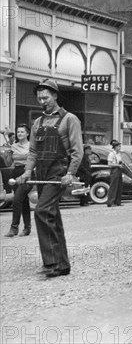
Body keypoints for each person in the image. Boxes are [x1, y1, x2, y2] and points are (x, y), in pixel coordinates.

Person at [16, 79, 83, 278]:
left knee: (42, 211)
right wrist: (27, 172)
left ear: (55, 95)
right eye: (39, 98)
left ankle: (51, 262)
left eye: (46, 97)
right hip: (42, 174)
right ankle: (62, 265)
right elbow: (33, 152)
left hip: (59, 172)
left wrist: (70, 173)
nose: (42, 100)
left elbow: (77, 151)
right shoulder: (37, 122)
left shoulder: (69, 119)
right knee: (52, 214)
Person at [5, 124, 33, 237]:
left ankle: (14, 228)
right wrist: (8, 154)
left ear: (27, 133)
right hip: (16, 173)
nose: (19, 134)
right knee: (24, 201)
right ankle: (27, 228)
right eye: (18, 132)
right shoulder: (13, 146)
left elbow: (35, 160)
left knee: (17, 199)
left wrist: (29, 173)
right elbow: (8, 163)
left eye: (22, 132)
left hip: (27, 173)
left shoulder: (31, 146)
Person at [106, 140, 124, 207]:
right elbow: (109, 164)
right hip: (114, 171)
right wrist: (117, 165)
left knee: (119, 186)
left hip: (119, 171)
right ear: (115, 147)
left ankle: (117, 202)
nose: (120, 148)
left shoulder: (119, 154)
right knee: (113, 186)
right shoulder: (111, 154)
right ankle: (111, 202)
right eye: (119, 146)